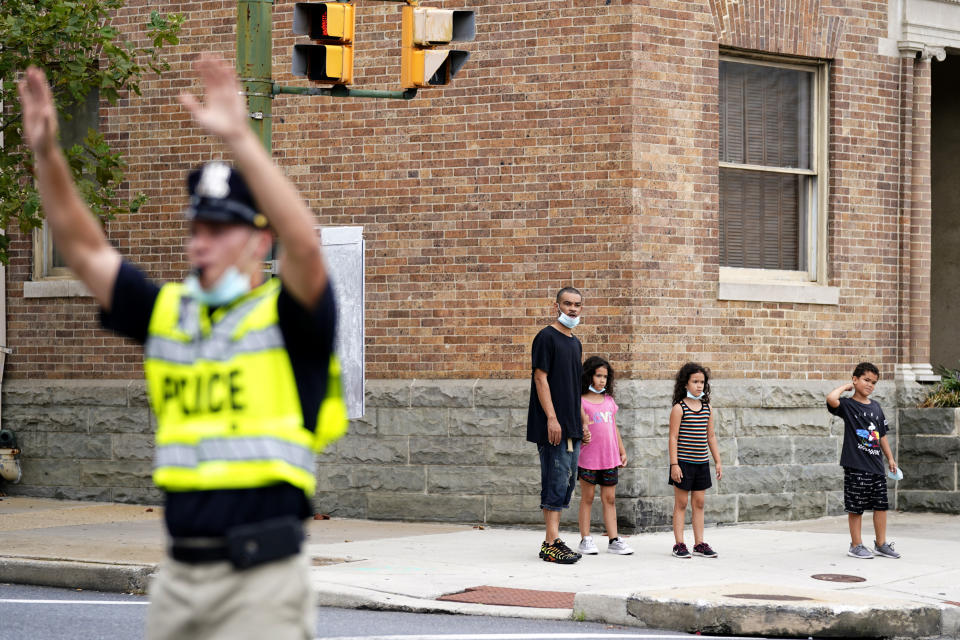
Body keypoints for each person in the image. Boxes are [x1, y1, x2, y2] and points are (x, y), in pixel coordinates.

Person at [18, 55, 348, 639]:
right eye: (197, 229)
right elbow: (84, 247)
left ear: (259, 241)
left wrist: (239, 138)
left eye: (221, 231)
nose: (203, 243)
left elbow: (305, 243)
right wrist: (47, 156)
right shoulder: (170, 314)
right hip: (178, 576)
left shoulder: (290, 316)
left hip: (262, 581)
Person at [526, 287, 587, 564]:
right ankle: (550, 542)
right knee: (554, 478)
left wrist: (582, 422)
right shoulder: (546, 337)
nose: (572, 309)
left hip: (571, 426)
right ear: (557, 306)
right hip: (552, 426)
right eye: (567, 304)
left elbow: (574, 388)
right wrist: (552, 417)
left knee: (567, 482)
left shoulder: (575, 343)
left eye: (576, 305)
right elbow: (541, 379)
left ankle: (554, 538)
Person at [827, 362, 900, 560]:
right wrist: (845, 388)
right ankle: (856, 545)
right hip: (855, 465)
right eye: (866, 380)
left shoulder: (876, 407)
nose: (870, 385)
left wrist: (890, 459)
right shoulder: (848, 406)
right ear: (855, 379)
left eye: (873, 382)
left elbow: (881, 435)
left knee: (881, 505)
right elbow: (831, 399)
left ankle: (881, 544)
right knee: (856, 507)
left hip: (876, 465)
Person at [576, 356, 632, 555]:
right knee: (588, 497)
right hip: (588, 458)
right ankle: (586, 538)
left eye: (605, 377)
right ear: (589, 376)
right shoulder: (580, 401)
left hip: (609, 458)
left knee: (609, 499)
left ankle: (614, 540)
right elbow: (579, 428)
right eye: (598, 376)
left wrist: (622, 451)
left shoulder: (609, 401)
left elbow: (613, 427)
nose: (602, 380)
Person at [667, 362, 722, 559]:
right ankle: (679, 544)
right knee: (681, 503)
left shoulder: (707, 408)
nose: (699, 386)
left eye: (702, 382)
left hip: (701, 464)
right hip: (683, 464)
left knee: (699, 503)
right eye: (695, 382)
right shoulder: (679, 408)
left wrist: (717, 460)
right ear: (685, 384)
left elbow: (711, 436)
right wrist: (674, 464)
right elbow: (673, 437)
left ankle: (699, 543)